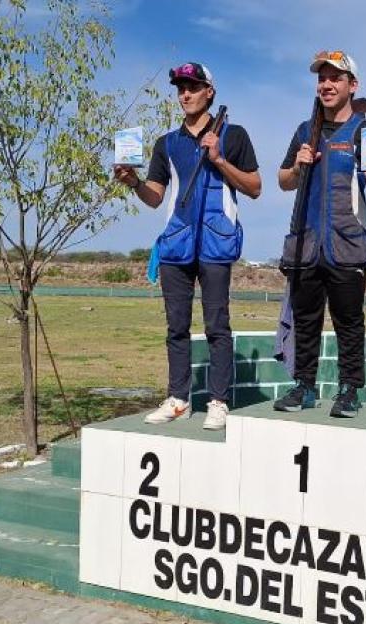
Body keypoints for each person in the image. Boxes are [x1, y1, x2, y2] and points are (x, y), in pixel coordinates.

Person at [113, 62, 261, 430]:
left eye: (193, 86)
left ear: (209, 91)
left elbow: (255, 187)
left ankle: (218, 401)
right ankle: (178, 398)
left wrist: (219, 159)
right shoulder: (167, 143)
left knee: (217, 326)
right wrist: (133, 181)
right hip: (176, 245)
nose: (185, 94)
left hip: (216, 241)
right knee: (176, 326)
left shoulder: (235, 134)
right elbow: (154, 196)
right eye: (180, 88)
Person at [272, 50, 366, 418]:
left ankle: (349, 390)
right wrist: (297, 165)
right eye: (322, 78)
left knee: (349, 322)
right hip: (307, 244)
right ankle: (304, 386)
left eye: (335, 78)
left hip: (348, 244)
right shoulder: (302, 131)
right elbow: (282, 181)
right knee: (306, 321)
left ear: (351, 85)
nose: (326, 84)